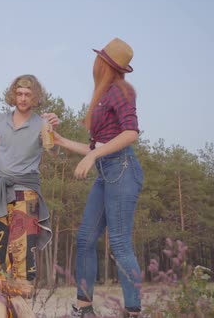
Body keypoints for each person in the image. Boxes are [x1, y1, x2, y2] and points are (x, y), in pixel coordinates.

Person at [53, 38, 144, 317]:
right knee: (85, 240)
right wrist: (61, 141)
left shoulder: (120, 90)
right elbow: (96, 146)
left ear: (104, 64)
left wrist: (92, 157)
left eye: (99, 59)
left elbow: (131, 133)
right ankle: (84, 307)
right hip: (107, 173)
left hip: (122, 170)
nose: (94, 63)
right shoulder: (103, 94)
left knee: (119, 242)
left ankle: (133, 311)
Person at [0, 74, 59, 293]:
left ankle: (21, 297)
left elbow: (53, 151)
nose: (23, 98)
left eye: (28, 94)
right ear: (13, 94)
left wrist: (53, 130)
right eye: (19, 93)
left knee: (22, 249)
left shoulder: (41, 123)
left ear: (35, 97)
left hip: (25, 191)